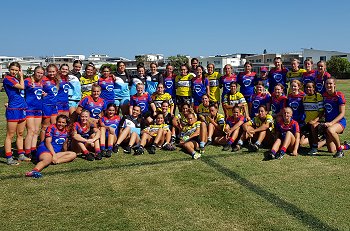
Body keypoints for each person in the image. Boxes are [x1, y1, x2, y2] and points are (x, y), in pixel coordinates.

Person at [3, 62, 28, 165]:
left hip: (22, 108)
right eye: (12, 69)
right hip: (13, 109)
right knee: (10, 135)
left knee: (20, 133)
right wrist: (22, 76)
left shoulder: (15, 79)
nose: (14, 72)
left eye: (16, 70)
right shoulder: (7, 79)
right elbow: (22, 87)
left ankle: (21, 154)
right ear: (9, 69)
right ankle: (9, 158)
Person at [322, 78, 346, 158]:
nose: (328, 85)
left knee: (330, 130)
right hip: (328, 122)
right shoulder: (324, 95)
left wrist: (332, 123)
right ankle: (346, 146)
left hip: (339, 122)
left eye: (330, 83)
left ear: (334, 85)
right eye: (327, 84)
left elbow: (342, 113)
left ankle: (340, 151)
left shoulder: (339, 95)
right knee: (331, 150)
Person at [24, 66, 44, 159]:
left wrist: (44, 94)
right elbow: (20, 91)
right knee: (30, 131)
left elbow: (39, 93)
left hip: (38, 109)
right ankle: (27, 151)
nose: (39, 74)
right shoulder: (27, 81)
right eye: (38, 72)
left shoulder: (41, 82)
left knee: (36, 131)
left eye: (41, 73)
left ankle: (33, 149)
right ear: (34, 72)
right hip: (29, 109)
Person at [302, 81, 324, 155]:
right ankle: (325, 140)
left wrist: (315, 120)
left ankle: (315, 146)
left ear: (314, 88)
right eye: (307, 87)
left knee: (313, 146)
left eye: (310, 87)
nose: (308, 88)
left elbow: (321, 112)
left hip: (318, 122)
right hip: (308, 123)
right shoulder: (304, 98)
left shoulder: (318, 96)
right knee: (301, 143)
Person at [40, 64, 59, 141]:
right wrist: (42, 93)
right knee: (45, 126)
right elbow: (36, 87)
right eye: (50, 72)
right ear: (47, 72)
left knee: (54, 125)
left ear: (56, 71)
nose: (51, 73)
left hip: (54, 105)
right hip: (46, 105)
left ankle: (51, 142)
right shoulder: (43, 79)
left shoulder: (56, 80)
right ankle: (42, 144)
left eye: (53, 71)